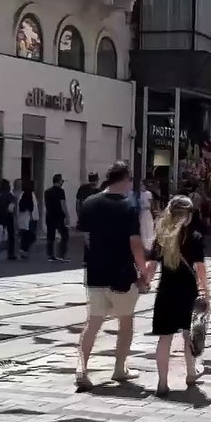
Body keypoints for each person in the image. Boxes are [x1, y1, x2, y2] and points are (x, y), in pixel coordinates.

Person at [74, 162, 152, 389]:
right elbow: (135, 244)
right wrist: (145, 271)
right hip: (122, 274)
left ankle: (81, 367)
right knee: (126, 323)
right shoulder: (129, 207)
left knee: (93, 322)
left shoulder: (89, 203)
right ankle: (119, 368)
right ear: (126, 179)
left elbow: (85, 237)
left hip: (96, 272)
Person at [145, 196, 206, 397]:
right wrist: (205, 290)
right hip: (188, 292)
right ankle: (190, 373)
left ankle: (162, 383)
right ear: (186, 215)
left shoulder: (161, 237)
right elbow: (200, 268)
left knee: (165, 338)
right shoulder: (195, 237)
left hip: (166, 292)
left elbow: (151, 268)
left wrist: (144, 282)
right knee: (189, 334)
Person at [44, 174, 70, 262]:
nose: (62, 183)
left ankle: (50, 254)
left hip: (49, 215)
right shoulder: (60, 191)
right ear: (59, 181)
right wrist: (67, 215)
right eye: (62, 181)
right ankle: (60, 254)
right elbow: (62, 204)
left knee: (50, 236)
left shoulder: (47, 191)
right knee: (64, 235)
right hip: (59, 216)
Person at [16, 179, 39, 259]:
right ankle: (24, 249)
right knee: (30, 235)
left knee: (26, 235)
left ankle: (24, 250)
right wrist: (33, 216)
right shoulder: (29, 194)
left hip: (27, 218)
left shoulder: (23, 194)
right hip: (29, 218)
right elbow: (31, 207)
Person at [0, 179, 17, 261]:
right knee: (11, 235)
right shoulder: (9, 195)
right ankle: (11, 253)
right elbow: (11, 207)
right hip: (8, 216)